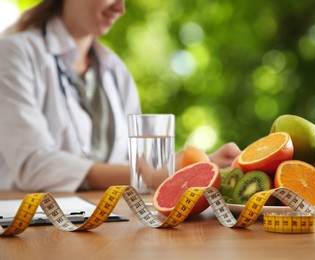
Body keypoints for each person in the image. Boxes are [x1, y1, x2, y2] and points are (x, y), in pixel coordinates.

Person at [0, 0, 241, 192]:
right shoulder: (14, 53)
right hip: (33, 232)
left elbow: (138, 161)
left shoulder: (115, 70)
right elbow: (32, 165)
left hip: (108, 227)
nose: (121, 8)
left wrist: (199, 164)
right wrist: (157, 173)